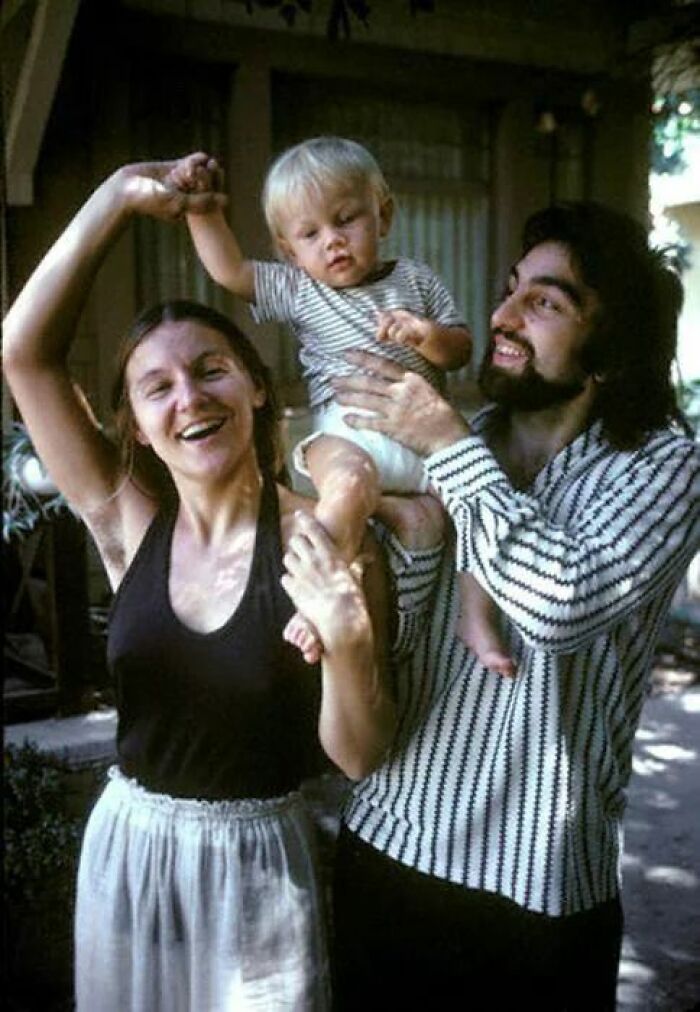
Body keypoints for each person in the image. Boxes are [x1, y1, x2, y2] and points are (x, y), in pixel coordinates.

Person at [1, 160, 407, 1012]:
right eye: (157, 387)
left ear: (257, 386)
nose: (189, 396)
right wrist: (118, 196)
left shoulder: (327, 537)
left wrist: (346, 638)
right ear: (140, 428)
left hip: (258, 876)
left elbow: (361, 754)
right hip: (130, 852)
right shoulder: (128, 523)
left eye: (211, 368)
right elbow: (24, 354)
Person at [327, 200, 700, 1009]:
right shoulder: (461, 440)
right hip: (386, 851)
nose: (501, 316)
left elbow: (561, 604)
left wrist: (449, 449)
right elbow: (400, 642)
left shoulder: (664, 467)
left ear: (613, 349)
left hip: (536, 890)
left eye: (545, 302)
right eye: (509, 291)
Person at [169, 137, 516, 677]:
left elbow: (460, 349)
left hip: (425, 442)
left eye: (346, 219)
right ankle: (316, 598)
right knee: (348, 487)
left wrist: (425, 335)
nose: (332, 240)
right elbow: (230, 271)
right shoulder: (301, 290)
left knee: (477, 508)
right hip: (347, 432)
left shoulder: (417, 280)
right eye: (310, 234)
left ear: (383, 215)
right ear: (290, 251)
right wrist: (202, 210)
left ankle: (476, 617)